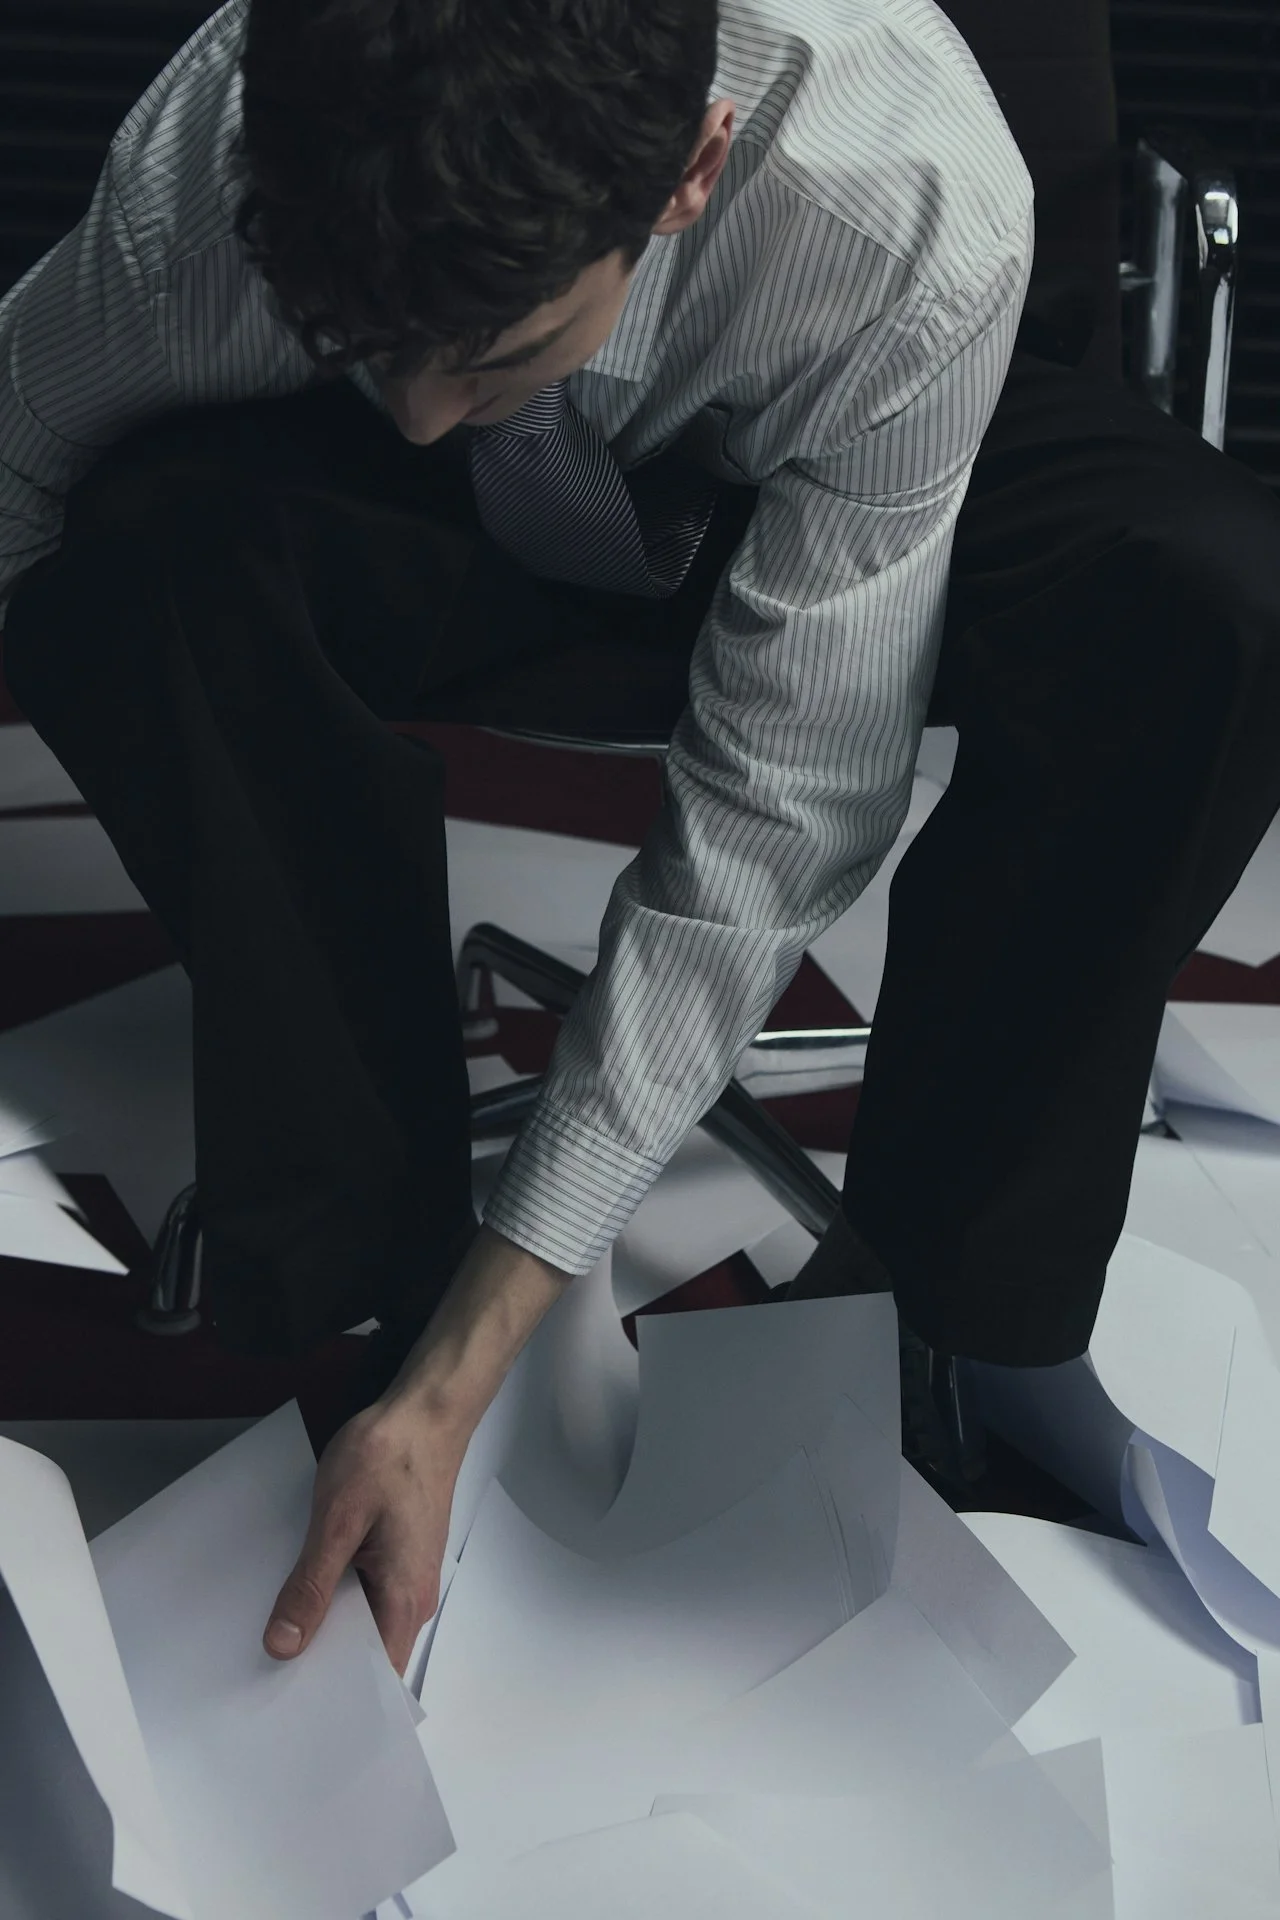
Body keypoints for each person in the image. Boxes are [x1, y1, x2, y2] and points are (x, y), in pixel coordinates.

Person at [1, 0, 1278, 1682]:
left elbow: (774, 803)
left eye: (486, 354)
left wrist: (506, 1324)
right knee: (143, 554)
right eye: (372, 347)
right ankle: (350, 1296)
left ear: (695, 167)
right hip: (458, 546)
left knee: (1211, 599)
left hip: (824, 459)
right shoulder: (213, 183)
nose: (417, 410)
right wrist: (427, 359)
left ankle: (946, 1322)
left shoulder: (900, 182)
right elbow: (14, 467)